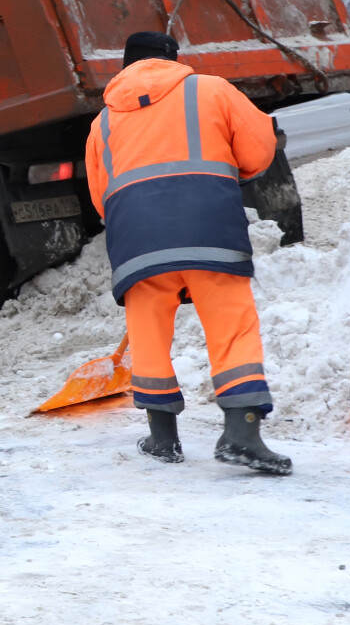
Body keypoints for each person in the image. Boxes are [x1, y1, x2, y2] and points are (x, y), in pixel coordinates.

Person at [83, 32, 291, 475]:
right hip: (208, 226)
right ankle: (242, 432)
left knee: (148, 332)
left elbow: (101, 199)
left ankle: (162, 438)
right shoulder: (210, 90)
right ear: (174, 61)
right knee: (231, 326)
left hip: (135, 241)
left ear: (124, 67)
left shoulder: (101, 123)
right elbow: (258, 151)